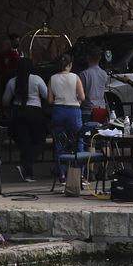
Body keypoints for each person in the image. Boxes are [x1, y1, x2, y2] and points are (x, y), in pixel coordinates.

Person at [1, 59, 49, 181]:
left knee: (25, 143)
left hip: (18, 113)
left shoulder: (12, 81)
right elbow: (46, 95)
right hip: (35, 112)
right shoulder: (37, 79)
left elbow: (5, 100)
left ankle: (28, 174)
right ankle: (25, 166)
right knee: (39, 142)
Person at [46, 53, 85, 185]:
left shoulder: (52, 78)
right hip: (73, 111)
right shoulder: (75, 77)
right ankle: (80, 174)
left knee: (59, 143)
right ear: (70, 65)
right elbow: (82, 96)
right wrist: (77, 102)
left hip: (58, 111)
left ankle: (62, 174)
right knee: (79, 142)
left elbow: (50, 100)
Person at [79, 50, 110, 122]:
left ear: (88, 57)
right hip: (101, 109)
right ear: (100, 58)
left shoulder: (83, 74)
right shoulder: (104, 74)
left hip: (87, 110)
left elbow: (80, 92)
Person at [0, 33, 23, 104]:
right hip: (4, 79)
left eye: (3, 44)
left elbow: (18, 66)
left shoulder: (14, 54)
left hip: (13, 78)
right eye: (0, 45)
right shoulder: (1, 54)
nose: (1, 46)